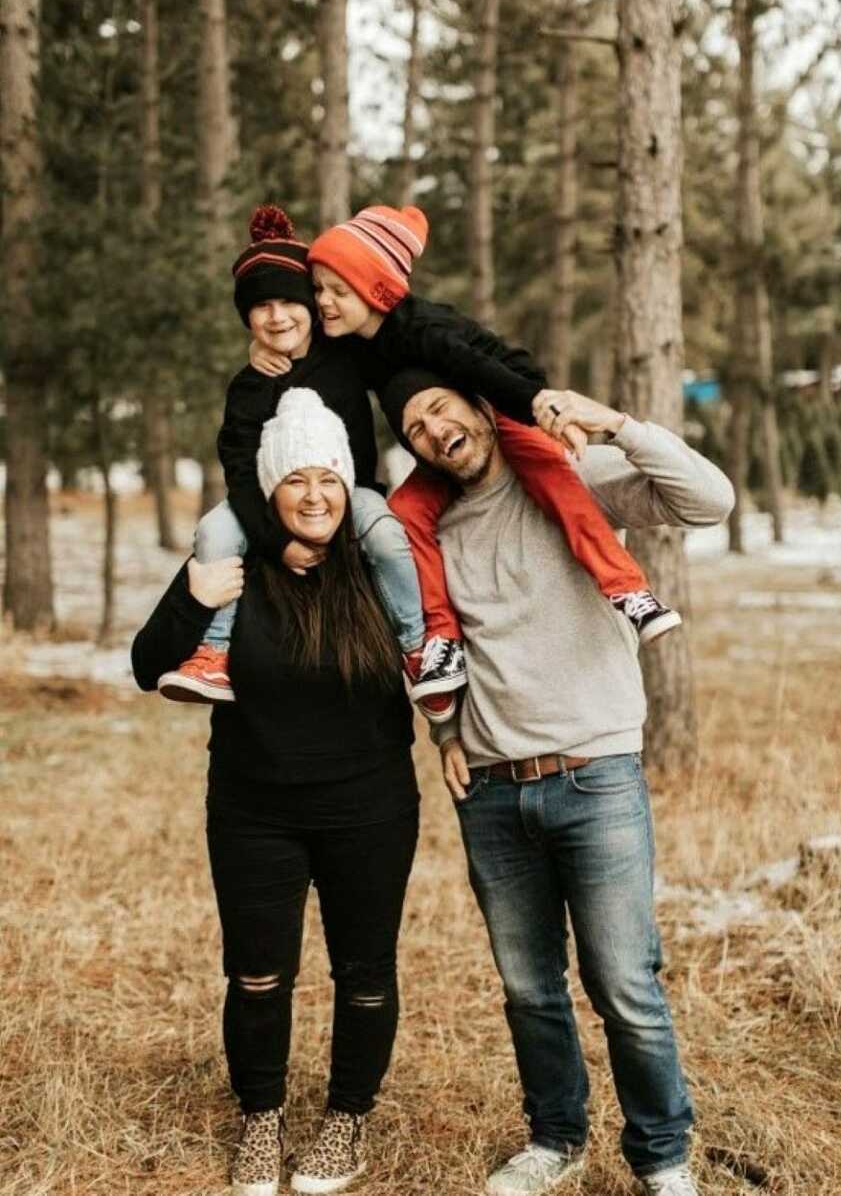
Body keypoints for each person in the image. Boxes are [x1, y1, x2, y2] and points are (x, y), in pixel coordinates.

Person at [378, 372, 736, 1196]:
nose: (432, 429)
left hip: (596, 773)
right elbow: (427, 635)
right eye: (413, 426)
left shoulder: (570, 476)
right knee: (529, 988)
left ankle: (662, 1154)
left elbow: (708, 500)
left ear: (477, 406)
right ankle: (556, 1138)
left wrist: (612, 422)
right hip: (494, 790)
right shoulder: (428, 530)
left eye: (441, 407)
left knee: (623, 983)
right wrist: (443, 731)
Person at [132, 388, 419, 1196]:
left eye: (329, 477)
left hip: (370, 806)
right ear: (268, 490)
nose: (316, 494)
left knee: (365, 972)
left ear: (347, 484)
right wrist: (194, 593)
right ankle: (261, 1118)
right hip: (254, 809)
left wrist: (458, 740)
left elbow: (440, 655)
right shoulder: (232, 566)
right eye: (296, 479)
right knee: (258, 974)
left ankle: (346, 1117)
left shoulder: (374, 564)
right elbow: (144, 661)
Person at [249, 203, 682, 693]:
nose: (322, 301)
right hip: (444, 447)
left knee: (560, 486)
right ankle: (442, 640)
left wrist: (541, 405)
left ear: (373, 288)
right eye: (319, 290)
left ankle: (630, 591)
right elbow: (301, 343)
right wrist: (264, 349)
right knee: (407, 512)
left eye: (337, 291)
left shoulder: (423, 330)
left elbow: (484, 371)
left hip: (505, 411)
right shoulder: (349, 338)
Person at [155, 205, 460, 722]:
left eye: (290, 302)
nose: (278, 318)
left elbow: (391, 334)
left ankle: (417, 647)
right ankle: (214, 651)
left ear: (311, 307)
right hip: (272, 505)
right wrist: (276, 539)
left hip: (353, 490)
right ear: (248, 318)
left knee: (387, 535)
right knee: (214, 532)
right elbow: (239, 471)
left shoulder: (344, 357)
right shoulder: (249, 385)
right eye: (262, 308)